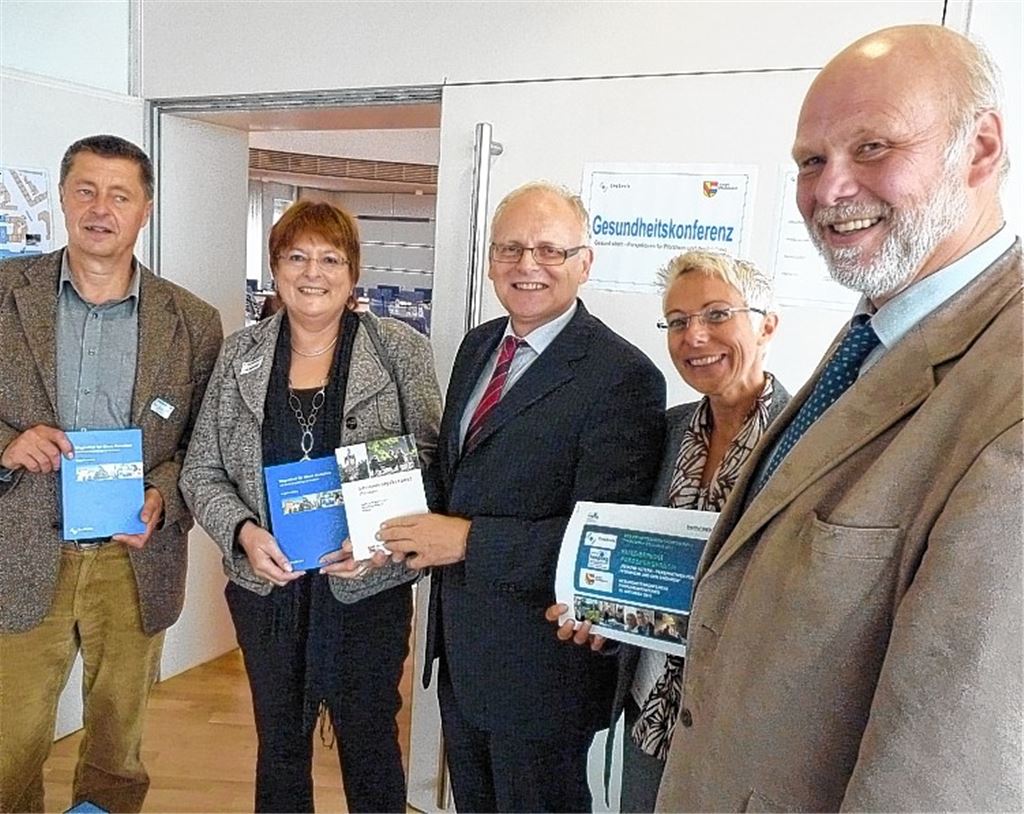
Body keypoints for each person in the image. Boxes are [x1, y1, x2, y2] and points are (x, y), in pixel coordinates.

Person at [656, 25, 1022, 812]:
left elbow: (943, 778)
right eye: (811, 161)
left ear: (981, 148)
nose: (829, 191)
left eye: (874, 148)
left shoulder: (1008, 395)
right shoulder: (879, 332)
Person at [375, 181, 667, 812]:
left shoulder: (623, 377)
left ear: (584, 262)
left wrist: (468, 540)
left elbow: (603, 544)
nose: (527, 265)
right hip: (462, 653)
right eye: (510, 248)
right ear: (490, 261)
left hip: (543, 673)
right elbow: (457, 477)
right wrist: (379, 521)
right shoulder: (480, 345)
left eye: (548, 250)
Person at [179, 200, 441, 813]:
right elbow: (202, 470)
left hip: (368, 586)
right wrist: (242, 532)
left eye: (331, 258)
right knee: (279, 744)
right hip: (268, 590)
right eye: (297, 256)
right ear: (275, 269)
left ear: (353, 273)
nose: (313, 272)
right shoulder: (240, 353)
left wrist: (379, 539)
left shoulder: (398, 349)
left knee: (370, 741)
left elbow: (432, 462)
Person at [0, 135, 223, 813]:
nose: (102, 208)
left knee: (117, 749)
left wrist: (163, 494)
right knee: (11, 745)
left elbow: (205, 447)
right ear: (64, 198)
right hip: (21, 552)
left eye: (120, 195)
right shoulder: (6, 293)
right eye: (87, 190)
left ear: (145, 209)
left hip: (134, 560)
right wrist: (6, 444)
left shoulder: (193, 321)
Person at [549, 249, 791, 811]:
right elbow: (636, 560)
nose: (695, 337)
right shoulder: (667, 430)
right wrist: (605, 616)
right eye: (678, 322)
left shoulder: (807, 439)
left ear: (767, 324)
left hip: (741, 726)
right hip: (650, 712)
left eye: (715, 315)